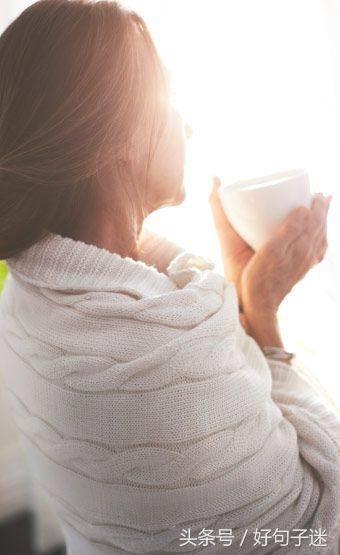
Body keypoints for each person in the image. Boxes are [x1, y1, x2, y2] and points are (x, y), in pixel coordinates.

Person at [0, 1, 339, 553]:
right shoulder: (156, 367)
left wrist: (243, 294)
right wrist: (262, 313)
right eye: (168, 96)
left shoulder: (30, 298)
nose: (187, 123)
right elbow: (317, 522)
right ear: (115, 135)